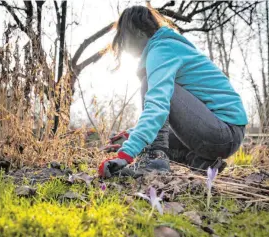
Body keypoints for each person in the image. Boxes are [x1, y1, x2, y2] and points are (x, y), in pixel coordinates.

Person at [98, 6, 248, 178]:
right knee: (151, 132)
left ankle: (155, 161)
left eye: (124, 38)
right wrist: (130, 135)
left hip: (223, 132)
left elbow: (157, 105)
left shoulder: (160, 50)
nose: (123, 46)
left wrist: (125, 155)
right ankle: (200, 161)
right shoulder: (167, 47)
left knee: (149, 84)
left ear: (138, 32)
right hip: (224, 133)